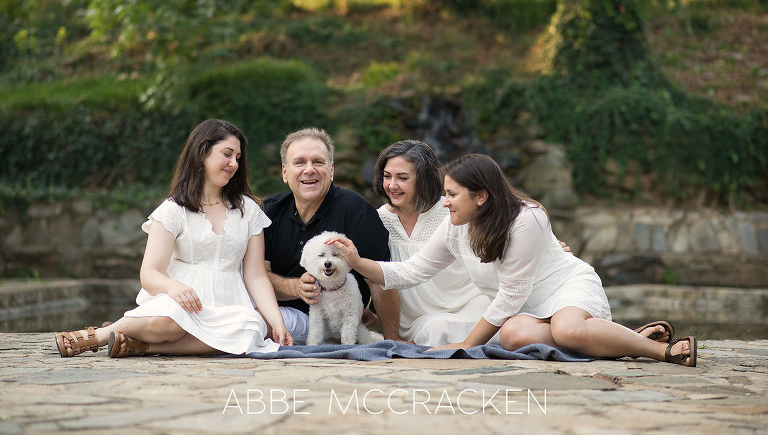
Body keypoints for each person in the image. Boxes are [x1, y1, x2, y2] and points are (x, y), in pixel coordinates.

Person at [328, 153, 697, 366]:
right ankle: (624, 339)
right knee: (513, 335)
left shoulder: (526, 218)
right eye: (445, 193)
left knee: (567, 330)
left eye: (453, 195)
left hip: (562, 289)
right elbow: (411, 271)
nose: (445, 202)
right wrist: (356, 261)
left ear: (481, 197)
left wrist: (465, 345)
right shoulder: (455, 226)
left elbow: (510, 296)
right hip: (527, 310)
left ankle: (660, 351)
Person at [54, 119, 291, 358]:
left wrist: (276, 321)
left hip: (229, 305)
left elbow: (256, 276)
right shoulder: (173, 209)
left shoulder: (248, 210)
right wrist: (174, 288)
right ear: (202, 153)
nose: (234, 164)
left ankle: (141, 346)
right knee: (172, 319)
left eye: (238, 158)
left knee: (252, 326)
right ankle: (98, 336)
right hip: (179, 300)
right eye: (227, 154)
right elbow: (149, 273)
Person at [263, 127, 400, 344]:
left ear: (332, 170)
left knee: (250, 321)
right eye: (299, 162)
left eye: (318, 162)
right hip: (281, 314)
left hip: (335, 321)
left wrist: (393, 340)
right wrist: (295, 287)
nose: (309, 169)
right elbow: (258, 275)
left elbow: (382, 277)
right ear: (285, 172)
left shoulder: (356, 211)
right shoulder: (270, 210)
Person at [373, 140, 492, 345]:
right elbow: (375, 277)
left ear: (424, 179)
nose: (392, 185)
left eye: (402, 178)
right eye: (387, 176)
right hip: (417, 322)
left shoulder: (453, 210)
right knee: (435, 330)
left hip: (471, 305)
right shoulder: (377, 220)